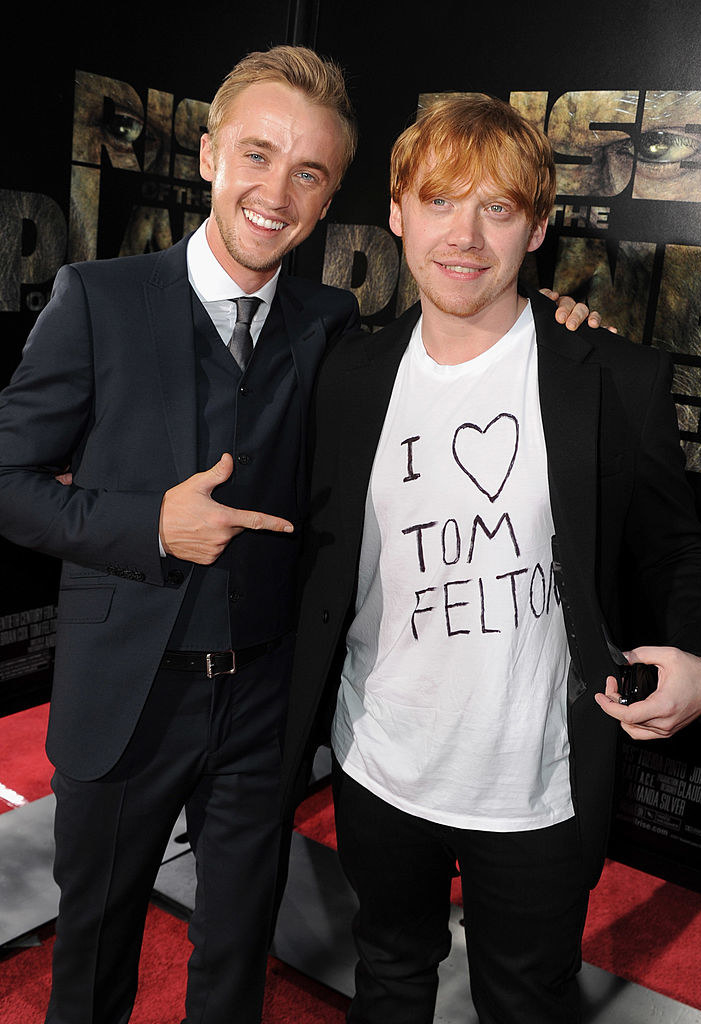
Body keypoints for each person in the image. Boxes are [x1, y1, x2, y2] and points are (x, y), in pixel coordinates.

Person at [0, 44, 598, 1023]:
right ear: (207, 156)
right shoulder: (96, 300)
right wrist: (147, 522)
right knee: (93, 961)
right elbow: (8, 483)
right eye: (258, 155)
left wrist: (553, 317)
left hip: (263, 712)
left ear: (329, 202)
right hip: (126, 701)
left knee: (233, 963)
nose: (277, 190)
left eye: (309, 172)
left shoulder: (332, 322)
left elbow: (462, 319)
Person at [280, 94, 701, 1024]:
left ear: (535, 227)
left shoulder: (612, 379)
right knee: (389, 975)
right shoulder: (344, 373)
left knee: (525, 1001)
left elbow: (675, 546)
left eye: (497, 208)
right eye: (441, 201)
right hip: (379, 763)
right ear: (398, 213)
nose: (465, 236)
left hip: (540, 783)